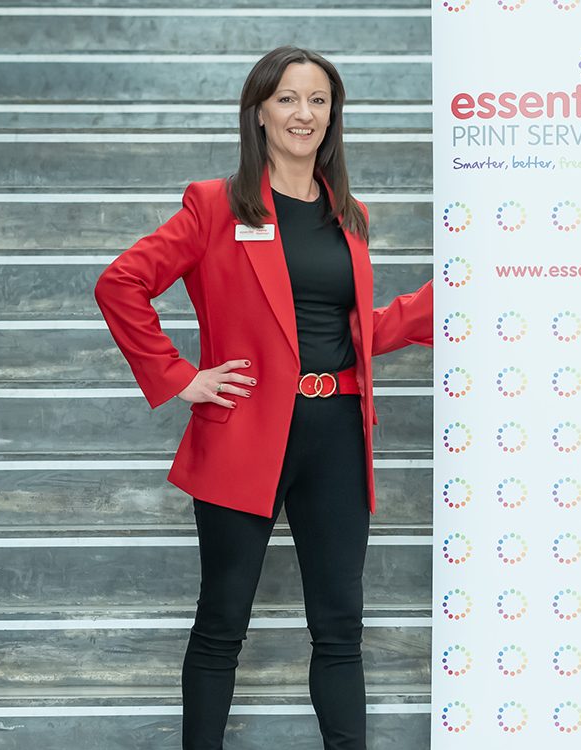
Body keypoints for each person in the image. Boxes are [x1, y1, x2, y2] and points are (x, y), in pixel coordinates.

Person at [93, 45, 434, 750]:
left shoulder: (350, 213)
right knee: (222, 621)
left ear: (333, 113)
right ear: (257, 113)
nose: (303, 113)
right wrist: (180, 376)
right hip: (246, 429)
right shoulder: (215, 206)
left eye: (317, 99)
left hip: (337, 430)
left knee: (340, 626)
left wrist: (442, 302)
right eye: (286, 99)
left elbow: (349, 330)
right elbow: (120, 283)